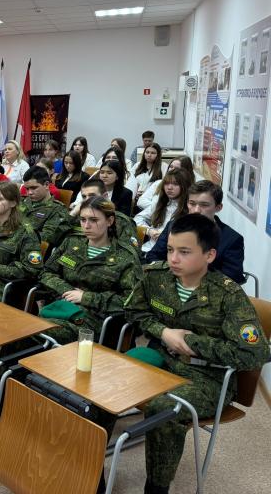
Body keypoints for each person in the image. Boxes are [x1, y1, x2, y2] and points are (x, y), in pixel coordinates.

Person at [124, 214, 268, 494]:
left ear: (209, 255)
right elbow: (133, 311)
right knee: (104, 378)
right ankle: (91, 470)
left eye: (184, 252)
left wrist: (191, 341)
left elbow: (254, 354)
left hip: (206, 377)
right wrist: (164, 332)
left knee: (163, 409)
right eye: (170, 249)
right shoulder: (155, 277)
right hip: (162, 360)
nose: (173, 258)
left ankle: (156, 489)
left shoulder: (227, 295)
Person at [38, 195, 141, 344]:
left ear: (109, 221)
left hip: (95, 320)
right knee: (28, 327)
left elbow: (131, 302)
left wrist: (86, 297)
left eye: (94, 220)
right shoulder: (72, 242)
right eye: (83, 219)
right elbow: (46, 273)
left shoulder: (125, 257)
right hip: (62, 307)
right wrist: (67, 291)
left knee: (37, 330)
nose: (86, 226)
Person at [146, 180, 245, 282]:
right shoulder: (173, 226)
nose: (196, 210)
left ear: (218, 207)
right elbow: (153, 256)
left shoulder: (232, 239)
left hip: (207, 289)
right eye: (192, 203)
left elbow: (231, 278)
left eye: (204, 205)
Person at [135, 168, 192, 253]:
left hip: (169, 253)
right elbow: (137, 219)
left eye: (175, 184)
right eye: (166, 183)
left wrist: (163, 236)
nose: (169, 188)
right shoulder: (160, 203)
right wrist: (149, 231)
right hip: (148, 249)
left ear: (184, 186)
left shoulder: (189, 209)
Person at [72, 179, 139, 249]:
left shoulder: (122, 221)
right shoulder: (79, 217)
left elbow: (131, 250)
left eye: (92, 196)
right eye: (84, 197)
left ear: (105, 196)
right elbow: (64, 237)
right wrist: (73, 213)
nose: (87, 200)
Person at [20, 166, 71, 249]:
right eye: (27, 189)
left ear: (46, 185)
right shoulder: (21, 200)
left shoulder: (57, 210)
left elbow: (46, 238)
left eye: (33, 188)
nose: (29, 192)